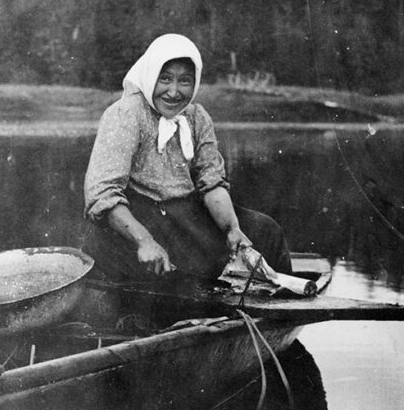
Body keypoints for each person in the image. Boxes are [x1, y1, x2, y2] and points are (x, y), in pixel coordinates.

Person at [82, 33, 292, 282]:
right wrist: (145, 241)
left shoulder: (196, 117)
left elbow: (212, 182)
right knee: (184, 272)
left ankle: (281, 305)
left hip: (183, 213)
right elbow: (102, 194)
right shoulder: (126, 114)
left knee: (266, 230)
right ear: (150, 76)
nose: (174, 92)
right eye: (165, 79)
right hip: (136, 217)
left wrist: (232, 228)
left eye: (185, 81)